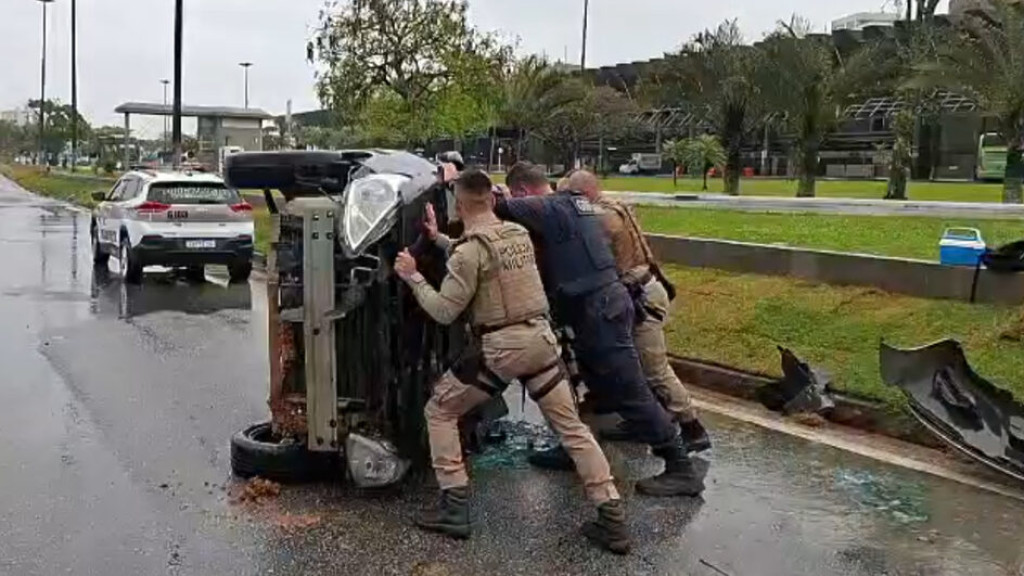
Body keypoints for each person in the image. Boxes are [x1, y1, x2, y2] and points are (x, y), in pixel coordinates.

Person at [394, 169, 632, 554]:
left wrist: (413, 277)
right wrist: (439, 238)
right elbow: (478, 252)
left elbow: (443, 310)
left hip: (501, 349)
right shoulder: (516, 234)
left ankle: (454, 508)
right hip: (541, 340)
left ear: (460, 203)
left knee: (439, 410)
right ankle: (612, 516)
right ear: (491, 198)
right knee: (572, 428)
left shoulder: (471, 251)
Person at [490, 168, 706, 498]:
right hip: (596, 308)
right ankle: (575, 447)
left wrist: (470, 185)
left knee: (629, 390)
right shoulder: (578, 205)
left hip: (600, 311)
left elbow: (498, 206)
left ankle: (681, 467)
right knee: (582, 387)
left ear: (523, 191)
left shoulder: (551, 207)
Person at [566, 170, 711, 452]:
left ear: (582, 194)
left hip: (641, 296)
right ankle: (642, 422)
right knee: (633, 366)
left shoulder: (599, 218)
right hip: (642, 290)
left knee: (654, 368)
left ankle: (693, 428)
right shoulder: (614, 205)